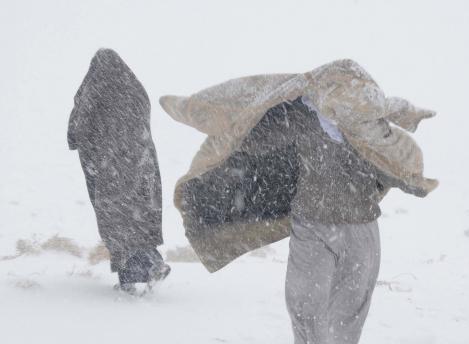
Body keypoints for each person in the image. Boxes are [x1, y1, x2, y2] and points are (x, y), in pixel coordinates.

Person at [160, 59, 437, 343]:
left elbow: (396, 163)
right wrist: (231, 128)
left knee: (350, 309)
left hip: (360, 228)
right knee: (304, 301)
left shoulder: (371, 130)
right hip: (311, 225)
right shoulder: (303, 116)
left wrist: (411, 180)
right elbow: (254, 133)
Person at [68, 49, 170, 293]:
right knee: (137, 219)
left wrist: (79, 140)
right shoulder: (136, 90)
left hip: (112, 169)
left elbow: (80, 123)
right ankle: (134, 275)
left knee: (118, 221)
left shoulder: (98, 87)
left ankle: (149, 265)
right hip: (144, 169)